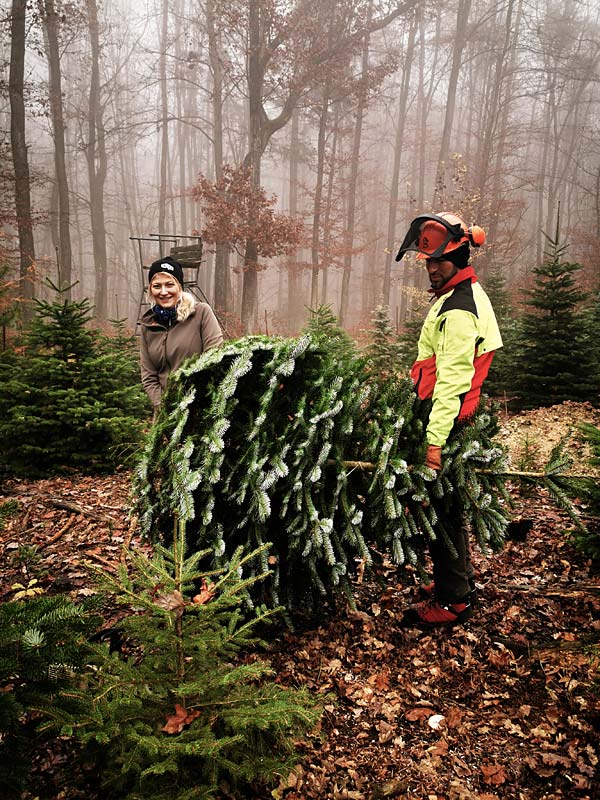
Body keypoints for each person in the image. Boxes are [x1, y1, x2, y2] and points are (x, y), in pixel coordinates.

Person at [394, 212, 503, 626]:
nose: (432, 269)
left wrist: (434, 441)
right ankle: (452, 581)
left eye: (439, 262)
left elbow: (452, 384)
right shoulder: (461, 295)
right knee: (446, 510)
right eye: (427, 262)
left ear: (459, 258)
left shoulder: (459, 310)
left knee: (442, 510)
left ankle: (454, 600)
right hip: (446, 417)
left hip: (450, 420)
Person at [138, 255, 223, 414]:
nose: (163, 292)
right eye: (157, 286)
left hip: (200, 411)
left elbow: (214, 358)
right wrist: (165, 407)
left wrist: (191, 403)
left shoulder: (200, 313)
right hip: (165, 416)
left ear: (180, 286)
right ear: (150, 290)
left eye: (169, 284)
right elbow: (149, 377)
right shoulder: (148, 326)